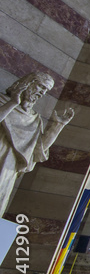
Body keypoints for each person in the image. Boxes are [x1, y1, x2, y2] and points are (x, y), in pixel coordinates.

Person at [0, 72, 74, 217]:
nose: (42, 92)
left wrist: (57, 126)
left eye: (45, 90)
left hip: (9, 166)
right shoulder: (3, 101)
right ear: (27, 83)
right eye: (40, 86)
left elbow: (36, 151)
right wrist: (13, 103)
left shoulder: (34, 118)